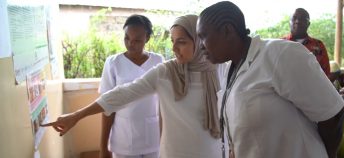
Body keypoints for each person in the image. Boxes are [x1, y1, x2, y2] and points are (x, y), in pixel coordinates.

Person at [42, 15, 224, 158]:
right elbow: (122, 93)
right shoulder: (166, 72)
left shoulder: (219, 70)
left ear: (199, 40)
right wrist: (78, 115)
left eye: (182, 41)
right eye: (172, 42)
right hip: (174, 153)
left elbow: (231, 114)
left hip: (210, 151)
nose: (175, 48)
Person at [196, 1, 344, 158]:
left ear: (227, 30)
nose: (200, 46)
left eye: (203, 36)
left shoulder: (280, 55)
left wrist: (329, 155)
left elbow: (332, 113)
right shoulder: (229, 71)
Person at [98, 15, 164, 158]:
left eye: (137, 40)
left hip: (153, 137)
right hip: (123, 139)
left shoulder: (159, 61)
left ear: (147, 38)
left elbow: (165, 103)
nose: (130, 43)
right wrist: (103, 146)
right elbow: (107, 106)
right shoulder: (113, 63)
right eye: (127, 38)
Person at [283, 8, 331, 77]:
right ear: (289, 22)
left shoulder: (319, 45)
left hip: (313, 86)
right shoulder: (280, 44)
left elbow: (326, 73)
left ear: (308, 24)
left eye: (302, 19)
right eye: (294, 18)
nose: (297, 21)